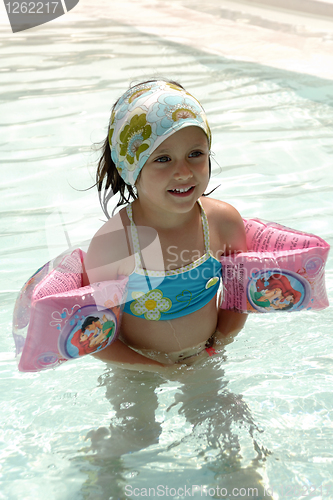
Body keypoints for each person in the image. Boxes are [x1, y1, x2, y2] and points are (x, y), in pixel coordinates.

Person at [82, 79, 247, 368]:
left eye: (195, 154)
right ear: (132, 168)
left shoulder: (223, 223)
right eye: (163, 158)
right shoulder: (115, 243)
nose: (183, 172)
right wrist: (158, 369)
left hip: (206, 356)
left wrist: (213, 350)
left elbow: (239, 299)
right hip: (136, 367)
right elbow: (92, 336)